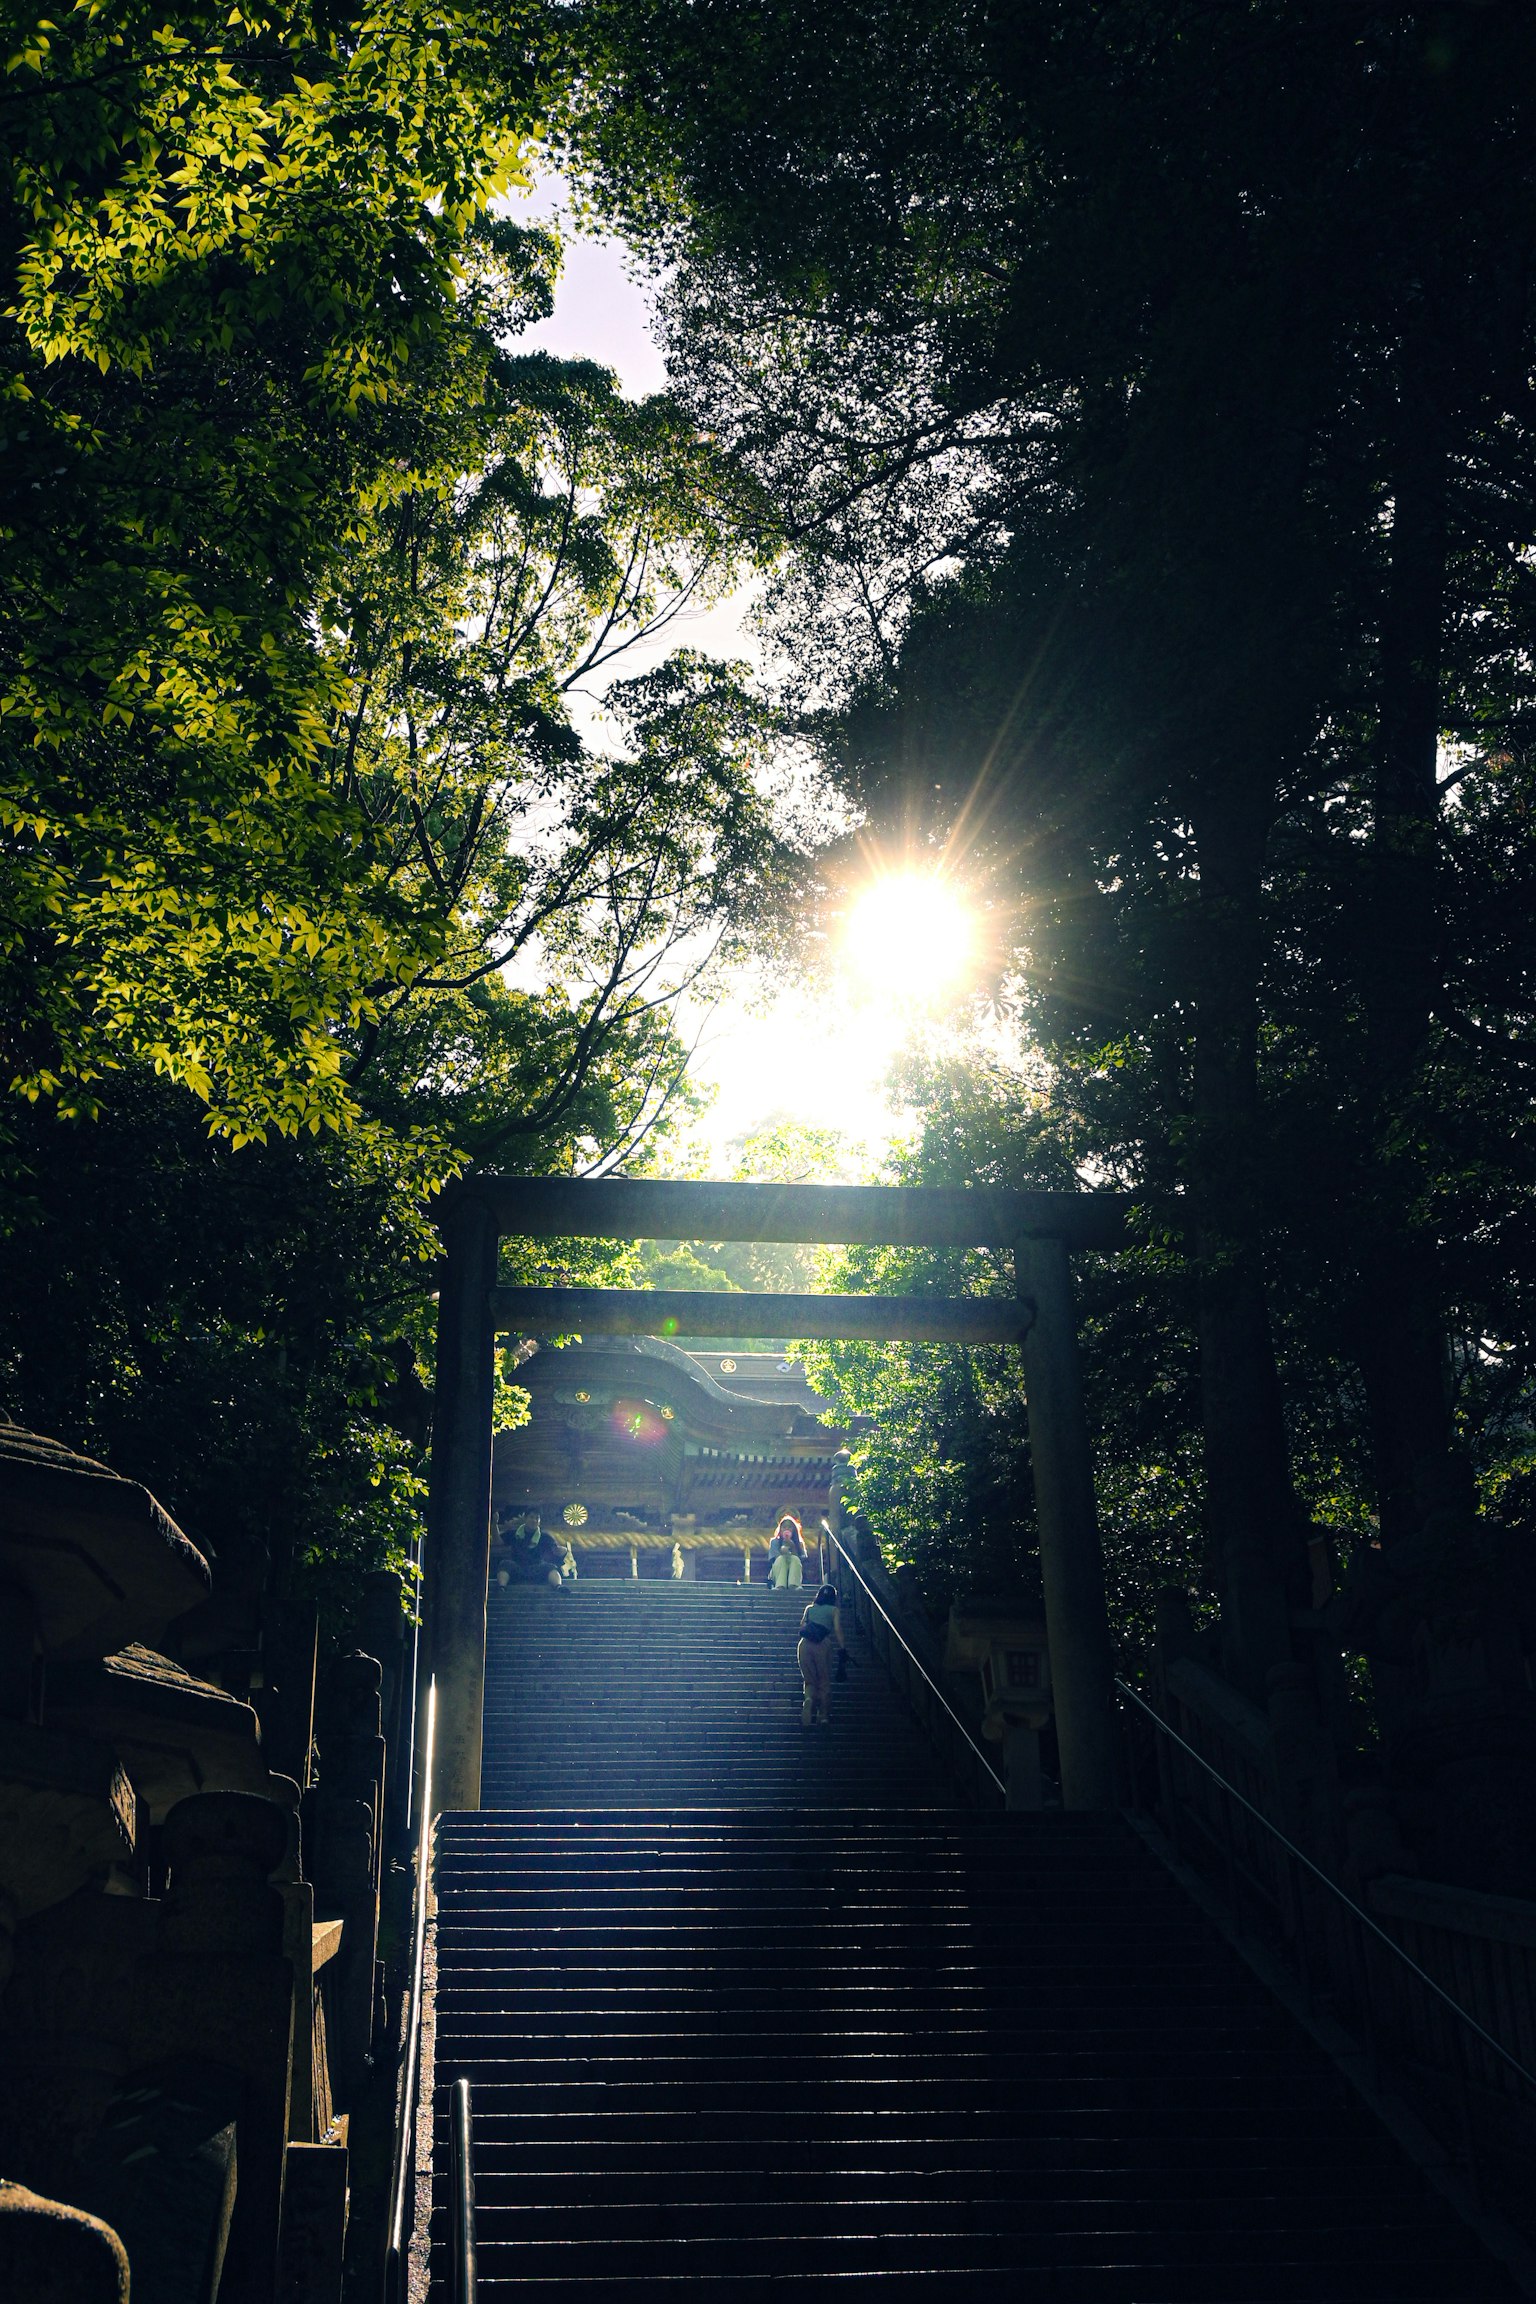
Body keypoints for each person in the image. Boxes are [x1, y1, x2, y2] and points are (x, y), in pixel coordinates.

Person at [796, 1581, 846, 1726]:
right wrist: (842, 1647)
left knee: (809, 1680)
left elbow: (803, 1626)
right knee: (823, 1680)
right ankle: (823, 1715)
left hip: (804, 1644)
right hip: (823, 1644)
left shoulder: (809, 1609)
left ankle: (809, 1700)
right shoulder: (834, 1610)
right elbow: (837, 1630)